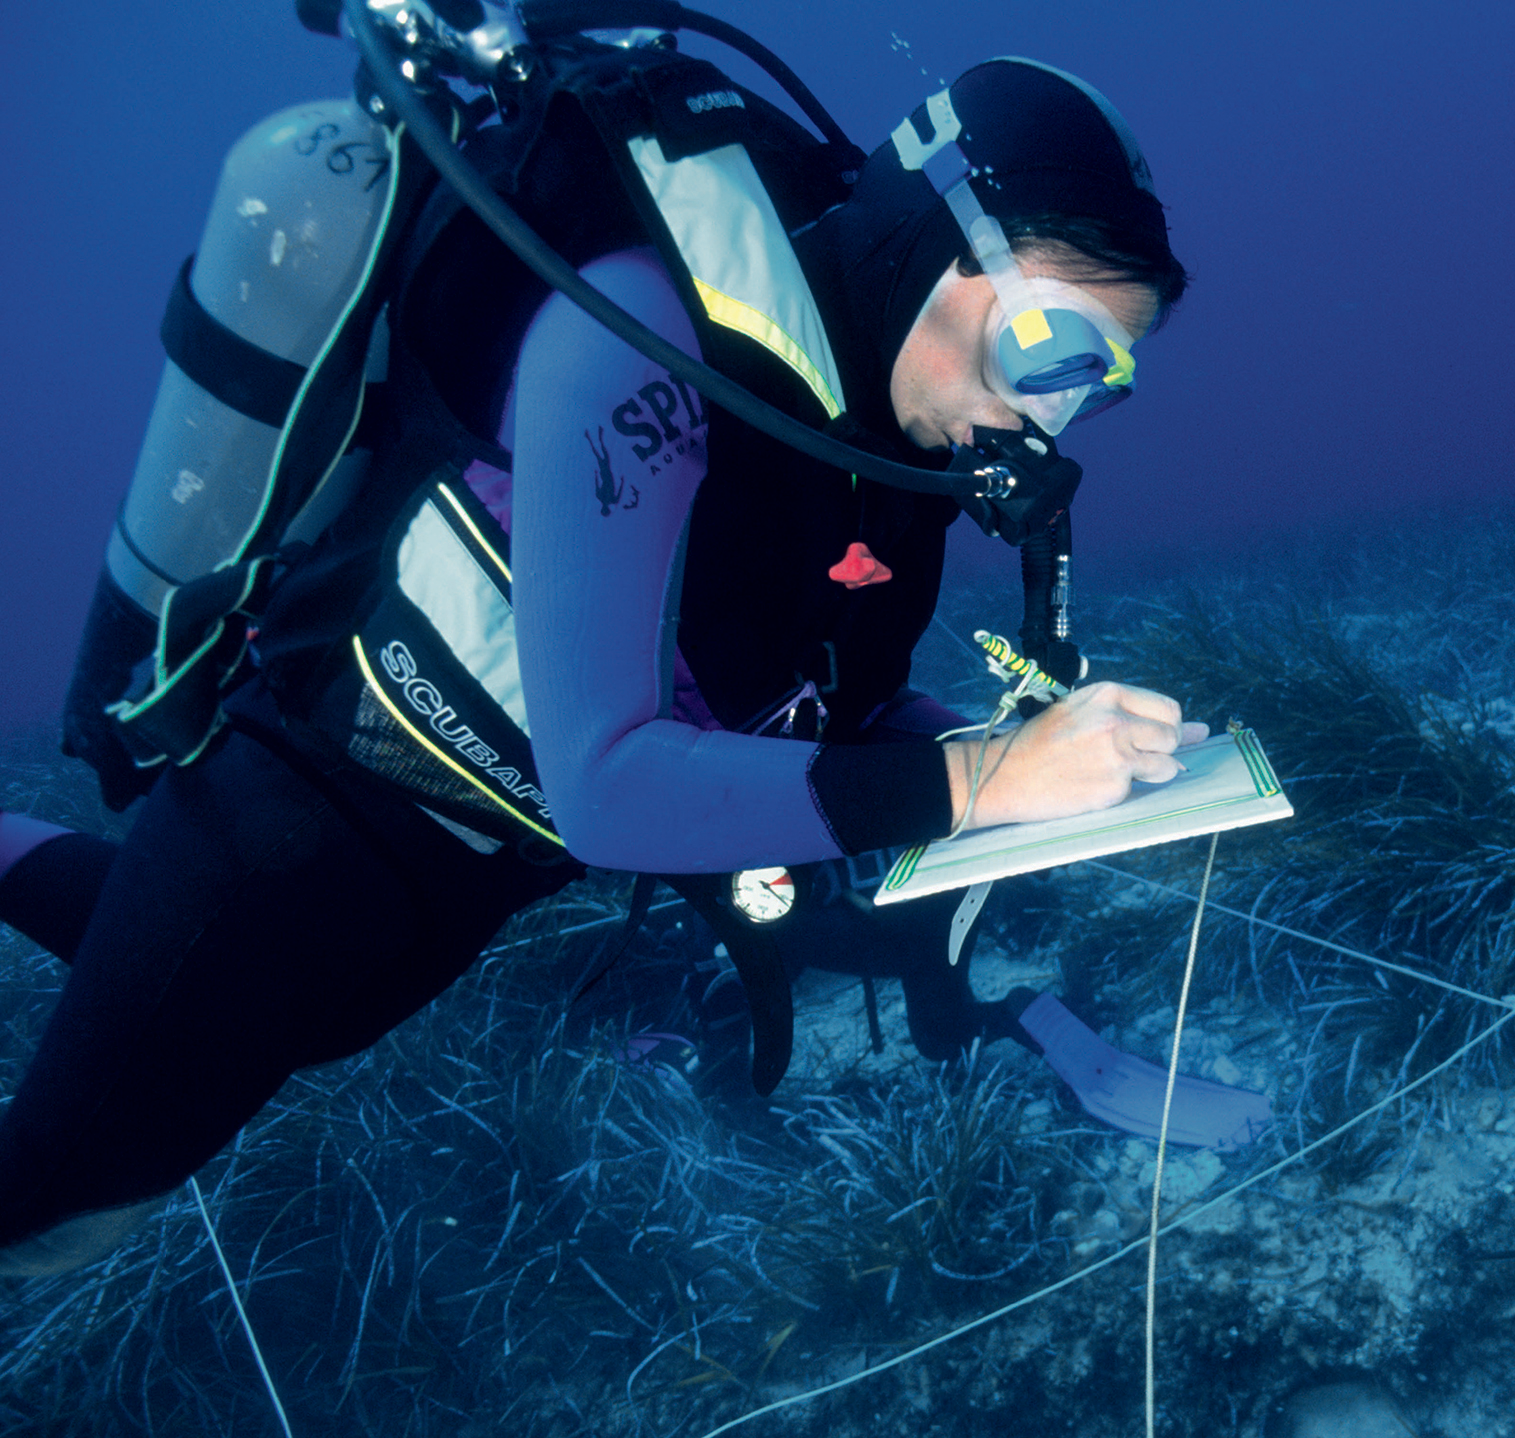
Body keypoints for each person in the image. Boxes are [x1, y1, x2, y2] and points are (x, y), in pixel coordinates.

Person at [0, 40, 1201, 1275]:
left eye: (1095, 385)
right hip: (288, 827)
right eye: (1049, 346)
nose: (1045, 420)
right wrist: (987, 779)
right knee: (59, 1214)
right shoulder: (642, 333)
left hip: (464, 871)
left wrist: (1008, 753)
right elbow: (607, 783)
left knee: (252, 995)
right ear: (923, 239)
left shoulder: (884, 449)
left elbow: (818, 709)